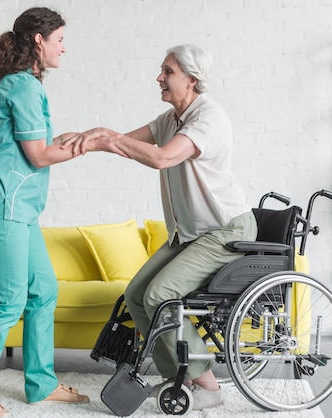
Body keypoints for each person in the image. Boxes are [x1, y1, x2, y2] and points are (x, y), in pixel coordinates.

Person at [63, 44, 258, 411]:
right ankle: (180, 374)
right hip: (191, 233)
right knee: (137, 294)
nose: (159, 77)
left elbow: (163, 157)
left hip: (225, 231)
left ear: (191, 79)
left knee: (160, 295)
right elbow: (126, 144)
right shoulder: (170, 119)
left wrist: (109, 137)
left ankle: (207, 385)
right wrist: (87, 139)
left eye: (167, 71)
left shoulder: (209, 117)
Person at [0, 7, 91, 417]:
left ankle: (40, 383)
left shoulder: (25, 85)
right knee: (9, 300)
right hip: (4, 206)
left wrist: (77, 137)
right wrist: (93, 145)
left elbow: (36, 146)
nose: (64, 47)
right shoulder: (24, 87)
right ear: (38, 40)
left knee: (43, 289)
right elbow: (38, 154)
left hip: (19, 208)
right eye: (60, 39)